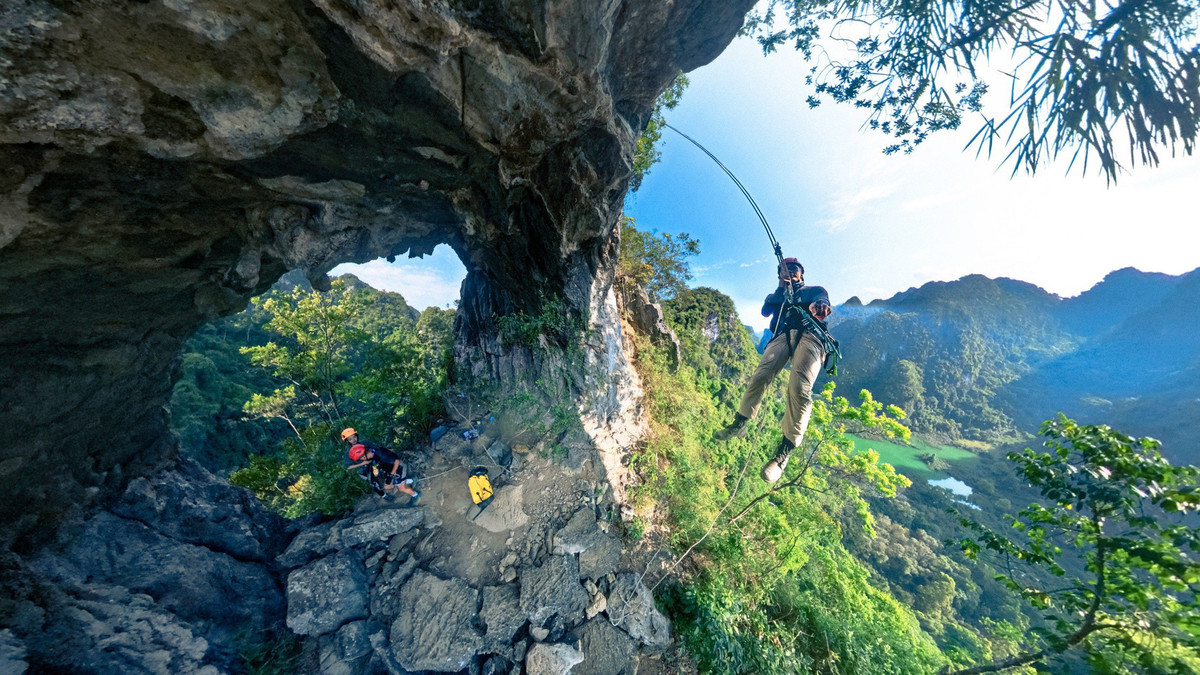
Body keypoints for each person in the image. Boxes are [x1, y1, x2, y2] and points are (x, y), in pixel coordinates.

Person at [712, 258, 834, 483]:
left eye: (795, 269)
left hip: (811, 335)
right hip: (782, 336)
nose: (791, 271)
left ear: (802, 273)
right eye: (785, 269)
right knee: (760, 375)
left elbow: (822, 303)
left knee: (799, 388)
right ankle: (740, 422)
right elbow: (765, 311)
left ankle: (784, 452)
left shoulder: (815, 291)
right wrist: (781, 288)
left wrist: (819, 307)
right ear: (779, 274)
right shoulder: (776, 296)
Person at [341, 428, 420, 504]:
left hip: (381, 463)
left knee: (395, 483)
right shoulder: (349, 453)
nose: (353, 440)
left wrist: (389, 475)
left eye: (354, 437)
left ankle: (412, 489)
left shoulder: (365, 443)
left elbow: (378, 450)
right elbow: (347, 467)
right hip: (367, 468)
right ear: (347, 441)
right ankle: (387, 493)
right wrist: (363, 463)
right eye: (350, 439)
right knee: (377, 483)